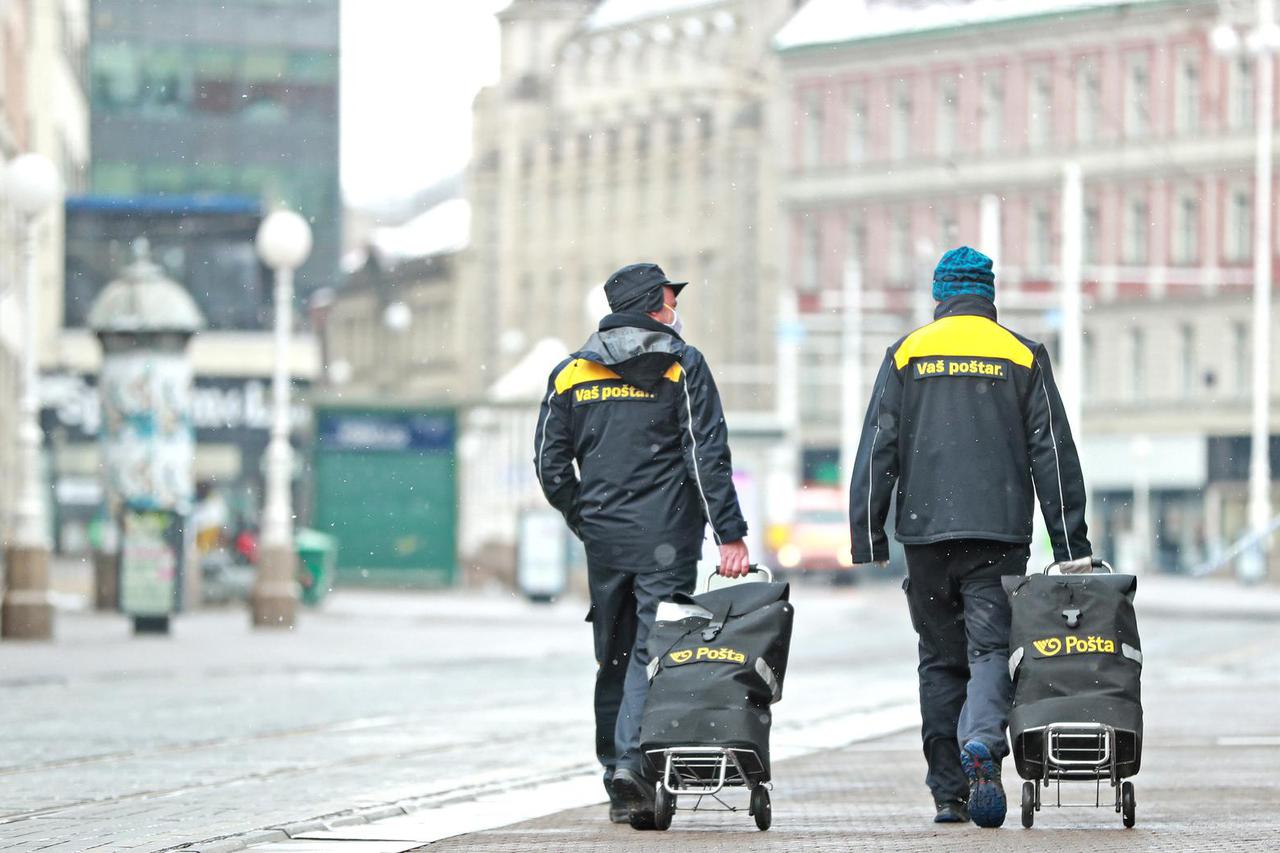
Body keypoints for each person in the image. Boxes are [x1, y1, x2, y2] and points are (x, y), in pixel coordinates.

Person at [848, 246, 1092, 828]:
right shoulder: (1021, 353)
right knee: (989, 651)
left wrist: (868, 536)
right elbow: (1052, 454)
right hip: (1000, 534)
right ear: (989, 294)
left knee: (938, 660)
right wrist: (1071, 547)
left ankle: (949, 794)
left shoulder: (908, 353)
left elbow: (879, 447)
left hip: (926, 535)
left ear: (939, 294)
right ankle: (982, 738)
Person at [534, 262, 750, 826]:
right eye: (670, 300)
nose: (676, 309)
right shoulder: (682, 365)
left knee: (616, 652)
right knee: (653, 652)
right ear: (655, 306)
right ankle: (632, 765)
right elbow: (706, 457)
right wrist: (729, 532)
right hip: (667, 536)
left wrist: (587, 517)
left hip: (605, 540)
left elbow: (550, 464)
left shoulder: (570, 373)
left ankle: (616, 771)